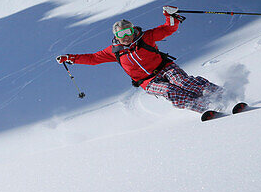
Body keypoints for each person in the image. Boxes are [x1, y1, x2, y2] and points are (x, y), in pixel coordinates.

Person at [55, 6, 226, 114]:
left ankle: (221, 95)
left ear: (133, 30)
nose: (127, 37)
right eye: (122, 34)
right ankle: (206, 107)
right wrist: (71, 59)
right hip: (146, 80)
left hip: (165, 68)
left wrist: (171, 17)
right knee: (170, 92)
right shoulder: (114, 51)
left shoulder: (146, 38)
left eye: (129, 32)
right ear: (116, 36)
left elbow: (167, 29)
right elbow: (92, 58)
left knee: (182, 82)